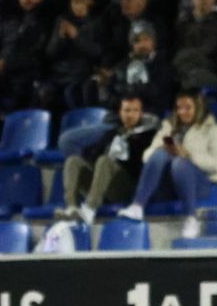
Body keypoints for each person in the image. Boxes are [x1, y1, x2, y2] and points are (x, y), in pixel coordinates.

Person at [121, 89, 217, 226]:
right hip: (169, 185)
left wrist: (189, 156)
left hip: (200, 183)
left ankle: (191, 218)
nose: (182, 112)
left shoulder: (214, 130)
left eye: (187, 108)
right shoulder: (168, 127)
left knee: (179, 163)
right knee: (161, 154)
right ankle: (137, 206)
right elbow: (146, 156)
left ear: (199, 107)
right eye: (179, 108)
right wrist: (161, 150)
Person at [58, 94, 159, 225]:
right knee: (73, 161)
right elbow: (92, 158)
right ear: (120, 113)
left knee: (105, 161)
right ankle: (71, 207)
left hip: (126, 187)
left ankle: (89, 208)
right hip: (101, 186)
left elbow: (140, 166)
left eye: (135, 110)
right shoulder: (112, 133)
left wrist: (126, 145)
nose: (130, 115)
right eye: (127, 110)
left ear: (141, 113)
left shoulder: (148, 136)